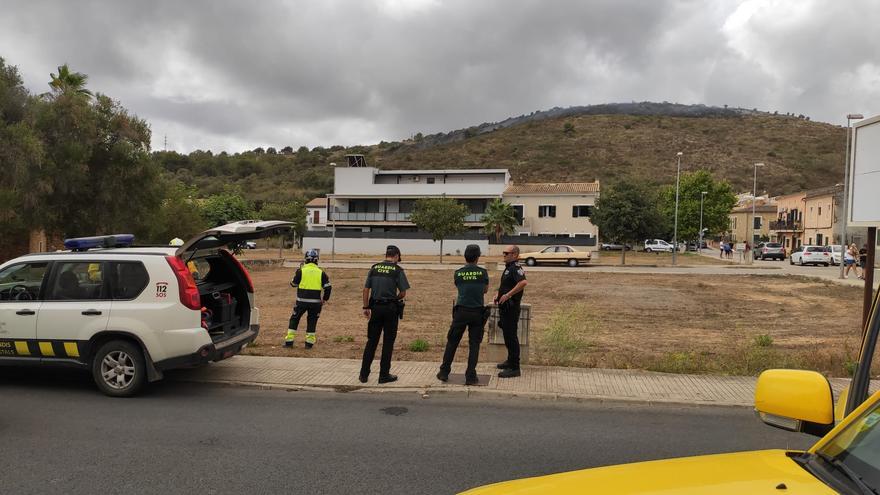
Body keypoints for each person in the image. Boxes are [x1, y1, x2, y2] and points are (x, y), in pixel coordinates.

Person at [437, 244, 490, 386]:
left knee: (452, 342)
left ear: (465, 256)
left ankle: (444, 372)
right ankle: (471, 376)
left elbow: (459, 287)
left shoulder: (458, 273)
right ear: (478, 257)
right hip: (477, 312)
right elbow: (485, 290)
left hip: (461, 312)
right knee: (474, 344)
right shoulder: (483, 273)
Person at [359, 245, 410, 384]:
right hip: (390, 309)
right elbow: (403, 293)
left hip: (375, 308)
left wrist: (366, 306)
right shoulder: (397, 270)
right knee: (388, 343)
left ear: (386, 255)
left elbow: (365, 289)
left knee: (371, 342)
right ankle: (383, 375)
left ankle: (363, 375)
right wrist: (394, 299)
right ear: (396, 256)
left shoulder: (374, 268)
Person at [284, 249, 331, 349]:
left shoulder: (301, 271)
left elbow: (293, 284)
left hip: (301, 302)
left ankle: (289, 342)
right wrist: (325, 299)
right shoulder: (321, 273)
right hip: (316, 303)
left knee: (294, 319)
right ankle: (309, 344)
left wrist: (297, 274)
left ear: (306, 259)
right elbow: (328, 287)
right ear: (317, 260)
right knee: (312, 321)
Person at [495, 245, 528, 378]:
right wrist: (498, 294)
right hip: (505, 308)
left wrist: (508, 295)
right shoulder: (508, 267)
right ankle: (510, 361)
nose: (504, 255)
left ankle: (515, 368)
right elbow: (506, 285)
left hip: (511, 308)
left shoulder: (515, 268)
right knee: (507, 336)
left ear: (514, 255)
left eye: (506, 253)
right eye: (504, 253)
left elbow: (523, 283)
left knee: (511, 337)